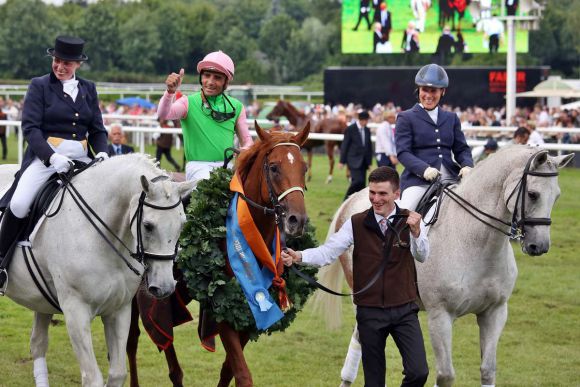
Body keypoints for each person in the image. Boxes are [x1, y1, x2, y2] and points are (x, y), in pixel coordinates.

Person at [282, 166, 430, 387]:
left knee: (419, 372)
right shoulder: (356, 222)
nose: (376, 199)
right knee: (373, 382)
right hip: (369, 311)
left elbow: (422, 255)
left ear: (396, 194)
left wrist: (417, 234)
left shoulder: (411, 221)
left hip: (404, 310)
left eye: (382, 194)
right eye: (372, 193)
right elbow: (328, 252)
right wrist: (299, 256)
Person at [0, 36, 109, 289]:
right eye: (57, 61)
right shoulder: (39, 85)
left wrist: (102, 153)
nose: (60, 67)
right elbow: (30, 128)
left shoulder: (88, 89)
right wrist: (51, 156)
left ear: (77, 65)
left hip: (82, 158)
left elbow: (97, 129)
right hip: (46, 158)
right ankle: (1, 262)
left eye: (67, 64)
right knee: (19, 203)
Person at [157, 50, 253, 182]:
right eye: (207, 75)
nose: (210, 82)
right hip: (197, 167)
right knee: (210, 185)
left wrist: (245, 150)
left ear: (226, 82)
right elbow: (164, 113)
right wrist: (169, 92)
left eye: (217, 78)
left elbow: (247, 140)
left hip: (227, 167)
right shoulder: (188, 102)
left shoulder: (237, 107)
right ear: (201, 77)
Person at [395, 64, 473, 211]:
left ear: (442, 91)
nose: (429, 95)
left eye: (434, 91)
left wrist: (467, 165)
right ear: (419, 89)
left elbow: (462, 149)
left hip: (451, 178)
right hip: (419, 181)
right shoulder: (406, 117)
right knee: (404, 214)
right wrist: (424, 169)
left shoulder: (451, 118)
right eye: (425, 90)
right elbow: (403, 152)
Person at [340, 110, 374, 200]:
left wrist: (370, 163)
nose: (367, 122)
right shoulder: (350, 129)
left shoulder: (367, 130)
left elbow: (369, 147)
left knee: (362, 184)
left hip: (364, 162)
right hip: (353, 160)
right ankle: (346, 200)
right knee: (357, 181)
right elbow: (345, 145)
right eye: (366, 120)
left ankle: (357, 203)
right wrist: (342, 161)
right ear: (361, 120)